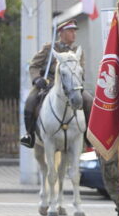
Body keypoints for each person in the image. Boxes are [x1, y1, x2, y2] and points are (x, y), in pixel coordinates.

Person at [21, 19, 86, 148]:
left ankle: (89, 136)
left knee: (89, 101)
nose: (74, 34)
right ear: (61, 33)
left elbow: (81, 70)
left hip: (71, 86)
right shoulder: (49, 48)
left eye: (75, 31)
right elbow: (33, 66)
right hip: (47, 83)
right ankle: (29, 135)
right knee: (30, 101)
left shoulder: (77, 51)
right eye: (70, 31)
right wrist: (36, 79)